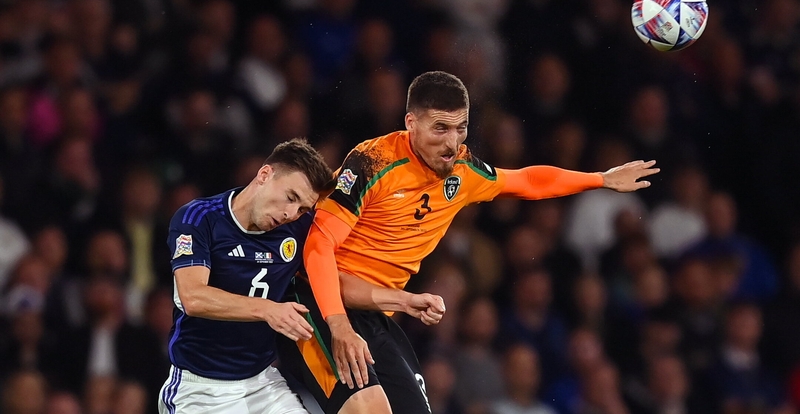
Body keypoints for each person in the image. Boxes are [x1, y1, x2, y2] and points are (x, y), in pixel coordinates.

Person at [277, 71, 660, 414]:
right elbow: (318, 246)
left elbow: (526, 181)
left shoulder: (463, 169)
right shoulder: (373, 162)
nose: (452, 142)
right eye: (440, 128)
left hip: (377, 310)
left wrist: (601, 178)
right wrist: (340, 327)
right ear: (411, 123)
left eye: (460, 128)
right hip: (320, 302)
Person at [157, 138, 336, 414]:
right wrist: (268, 310)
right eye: (291, 197)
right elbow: (192, 297)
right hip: (199, 389)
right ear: (264, 175)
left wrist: (401, 298)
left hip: (262, 384)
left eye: (302, 208)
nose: (291, 213)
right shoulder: (199, 218)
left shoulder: (298, 228)